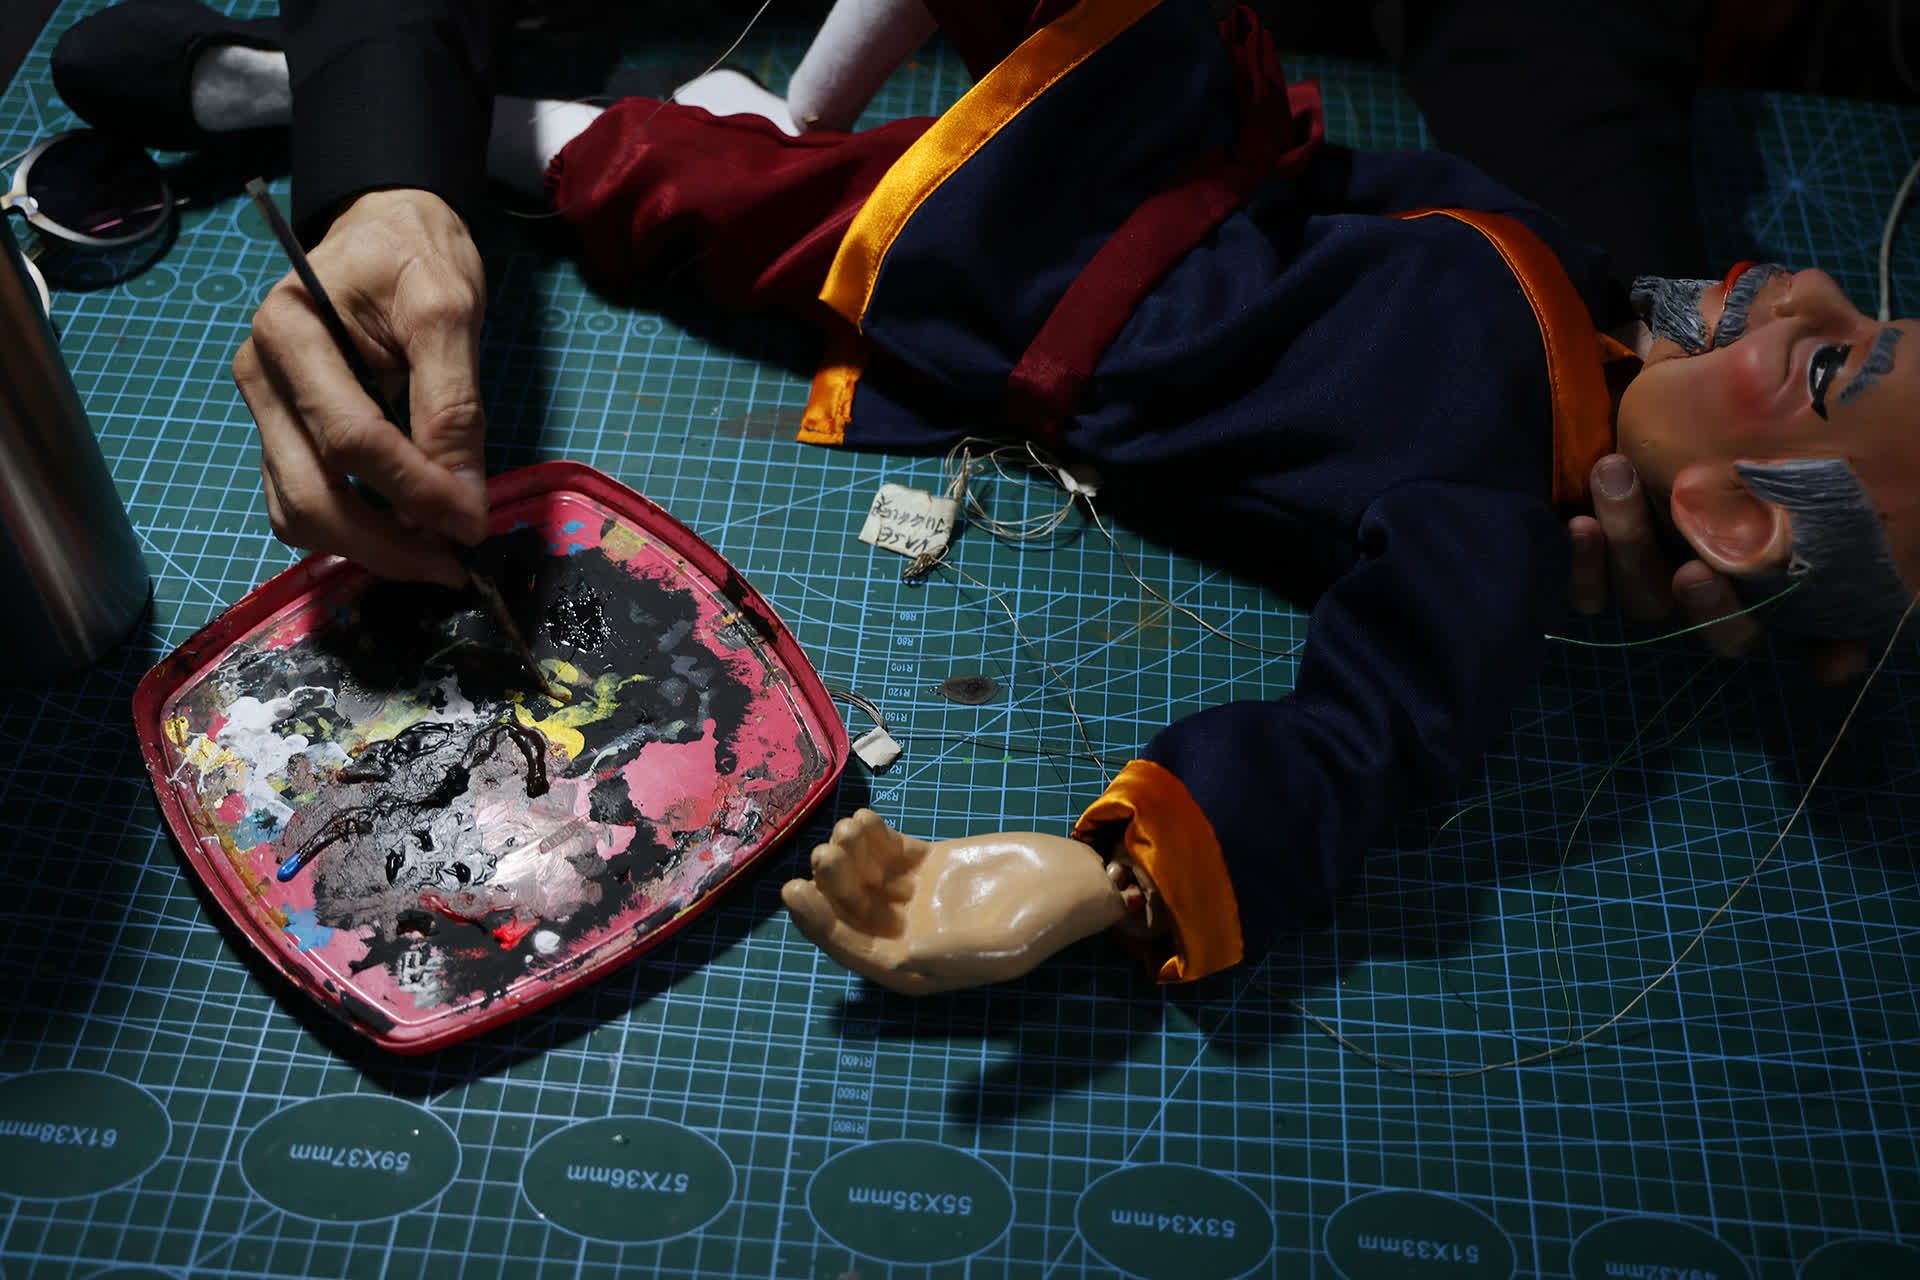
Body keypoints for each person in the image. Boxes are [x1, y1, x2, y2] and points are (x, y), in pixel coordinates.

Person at [503, 0, 1919, 994]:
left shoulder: (1489, 518)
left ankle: (460, 123)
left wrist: (1114, 874)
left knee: (732, 203)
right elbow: (1404, 203)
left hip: (1073, 297)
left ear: (1737, 522)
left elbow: (1373, 734)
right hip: (1178, 174)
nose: (1798, 286)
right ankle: (779, 106)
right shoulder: (1593, 298)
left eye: (1827, 358)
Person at [50, 0, 1768, 643]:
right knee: (716, 189)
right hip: (1025, 186)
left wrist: (1631, 326)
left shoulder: (1508, 457)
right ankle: (304, 90)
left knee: (750, 192)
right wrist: (380, 168)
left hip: (1128, 142)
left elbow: (1378, 721)